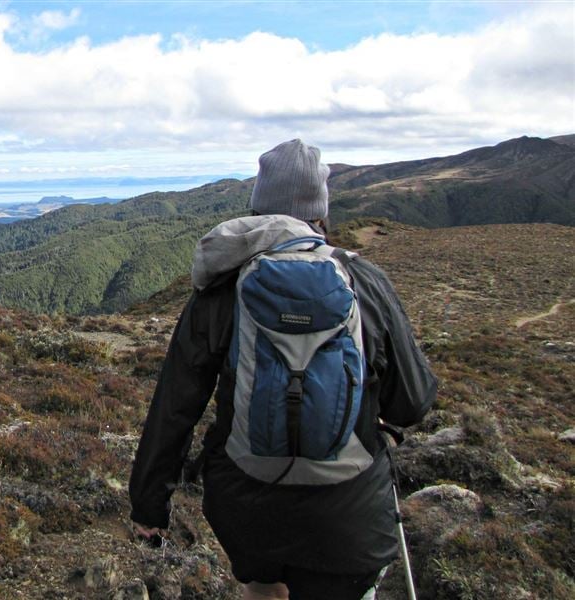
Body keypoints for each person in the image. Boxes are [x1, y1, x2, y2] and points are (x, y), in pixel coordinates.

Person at [128, 140, 437, 600]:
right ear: (321, 210)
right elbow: (412, 402)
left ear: (256, 206)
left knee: (263, 586)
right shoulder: (365, 282)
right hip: (348, 516)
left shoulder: (223, 287)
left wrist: (149, 505)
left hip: (248, 508)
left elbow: (175, 406)